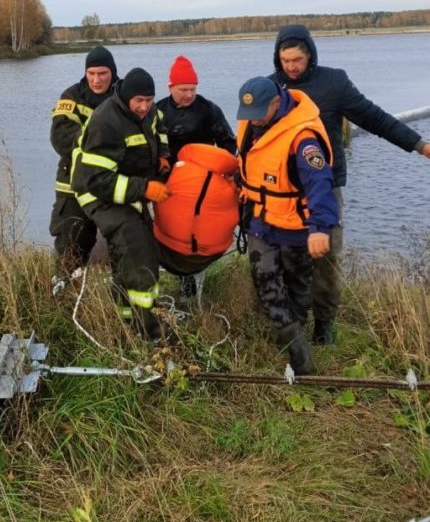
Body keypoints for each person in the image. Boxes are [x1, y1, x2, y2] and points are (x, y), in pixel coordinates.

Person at [270, 24, 430, 344]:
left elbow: (375, 118)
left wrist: (418, 144)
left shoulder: (334, 83)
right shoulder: (270, 88)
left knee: (327, 257)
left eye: (297, 59)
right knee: (286, 258)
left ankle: (324, 325)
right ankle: (291, 324)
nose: (291, 66)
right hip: (283, 191)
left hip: (325, 188)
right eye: (285, 60)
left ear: (310, 55)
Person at [236, 76, 339, 374]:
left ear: (277, 103)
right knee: (265, 281)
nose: (254, 122)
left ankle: (296, 327)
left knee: (298, 286)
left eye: (259, 115)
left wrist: (320, 228)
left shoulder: (303, 138)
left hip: (295, 226)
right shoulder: (249, 124)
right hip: (260, 221)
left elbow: (320, 183)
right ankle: (299, 356)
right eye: (249, 116)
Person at [71, 67, 171, 340]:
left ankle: (125, 317)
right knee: (137, 249)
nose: (144, 107)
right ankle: (150, 331)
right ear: (127, 97)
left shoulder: (148, 111)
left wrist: (163, 154)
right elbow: (97, 180)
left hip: (128, 188)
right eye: (139, 101)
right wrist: (145, 188)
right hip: (97, 192)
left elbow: (159, 125)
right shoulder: (106, 121)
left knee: (140, 249)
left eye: (149, 100)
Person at [156, 54, 237, 299]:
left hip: (202, 183)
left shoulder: (209, 110)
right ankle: (166, 273)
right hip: (168, 181)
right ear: (170, 87)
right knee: (168, 229)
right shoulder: (157, 111)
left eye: (192, 89)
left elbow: (228, 144)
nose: (188, 94)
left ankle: (190, 276)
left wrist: (219, 175)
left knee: (194, 230)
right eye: (183, 89)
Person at [49, 46, 118, 293]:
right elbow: (60, 138)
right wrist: (100, 139)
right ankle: (65, 293)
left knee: (123, 242)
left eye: (102, 73)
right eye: (91, 73)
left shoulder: (123, 95)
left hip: (113, 184)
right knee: (71, 241)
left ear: (113, 72)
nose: (96, 80)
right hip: (73, 184)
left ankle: (117, 298)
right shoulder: (72, 97)